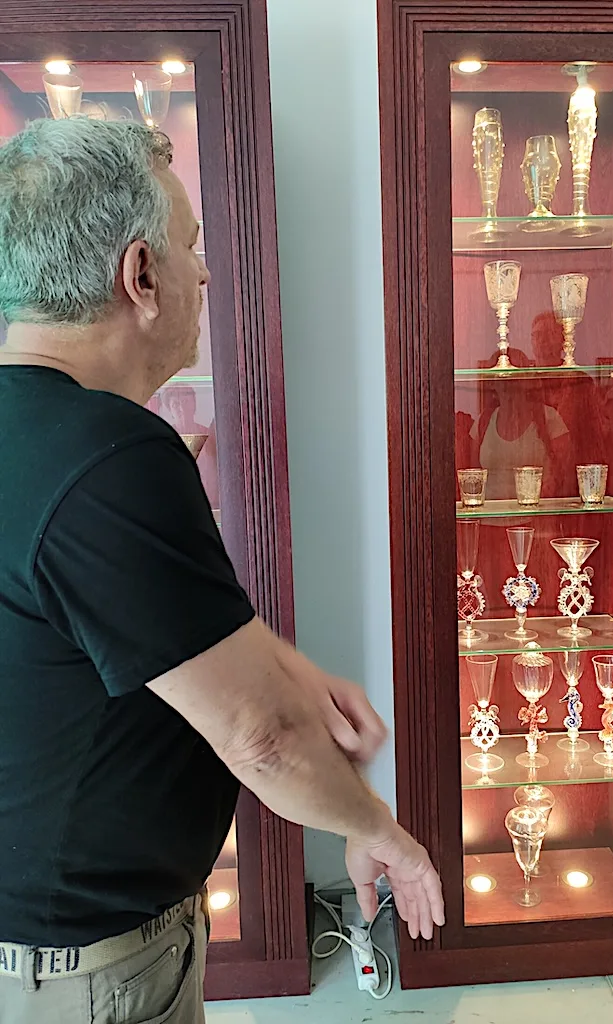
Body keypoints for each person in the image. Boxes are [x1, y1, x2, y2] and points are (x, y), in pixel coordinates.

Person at [0, 118, 443, 1022]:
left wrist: (293, 672)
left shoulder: (45, 441)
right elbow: (261, 737)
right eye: (190, 245)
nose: (204, 275)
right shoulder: (111, 455)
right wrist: (379, 831)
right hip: (83, 967)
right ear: (140, 275)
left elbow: (162, 634)